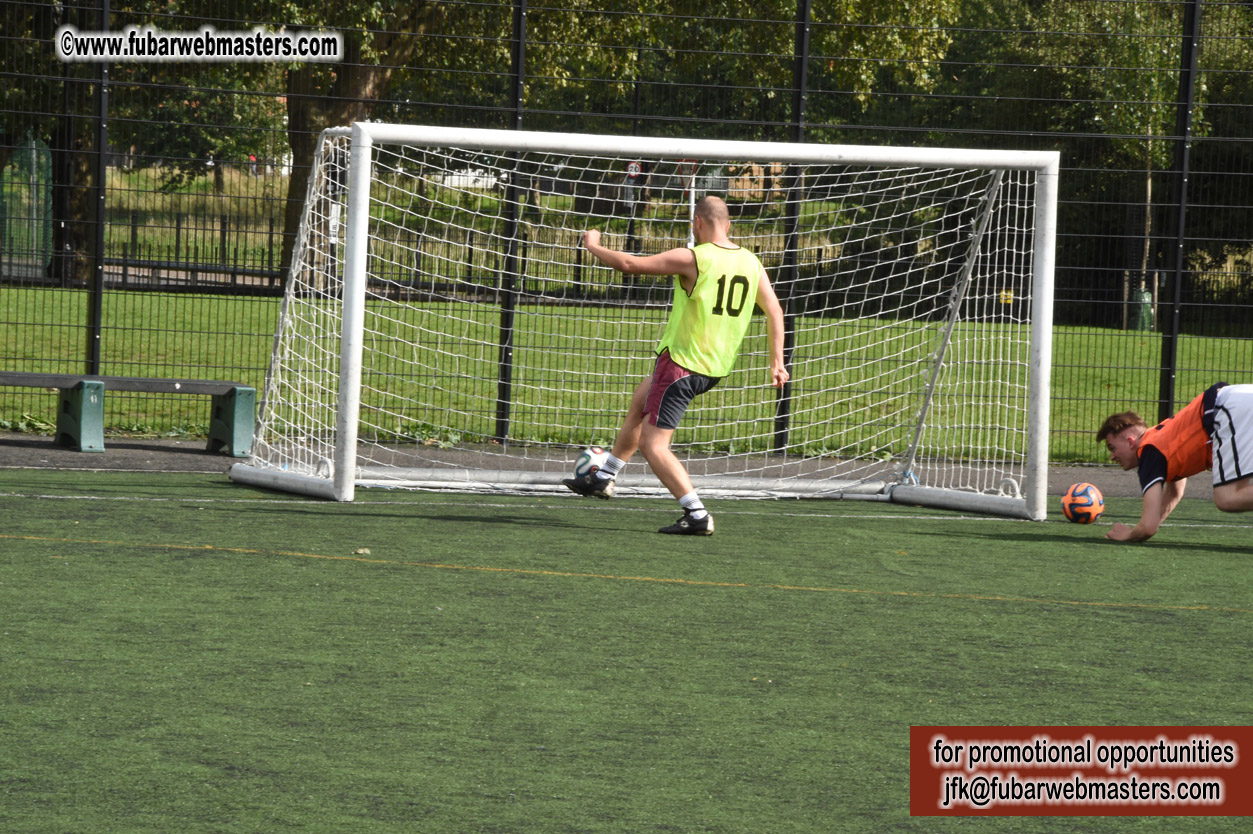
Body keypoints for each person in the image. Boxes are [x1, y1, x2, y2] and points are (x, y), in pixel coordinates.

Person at [563, 195, 789, 536]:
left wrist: (593, 245)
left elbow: (628, 264)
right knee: (640, 403)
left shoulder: (693, 258)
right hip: (713, 365)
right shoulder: (751, 263)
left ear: (696, 223)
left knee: (654, 445)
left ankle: (696, 514)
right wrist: (777, 362)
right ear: (728, 225)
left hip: (683, 364)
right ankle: (605, 476)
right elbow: (775, 311)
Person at [1096, 382, 1253, 541]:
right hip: (1239, 400)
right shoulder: (1161, 441)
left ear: (1130, 442)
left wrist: (1128, 535)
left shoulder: (1148, 452)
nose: (1112, 456)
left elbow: (1148, 527)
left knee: (1227, 498)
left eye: (1112, 447)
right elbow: (1173, 493)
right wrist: (1147, 526)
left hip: (1230, 408)